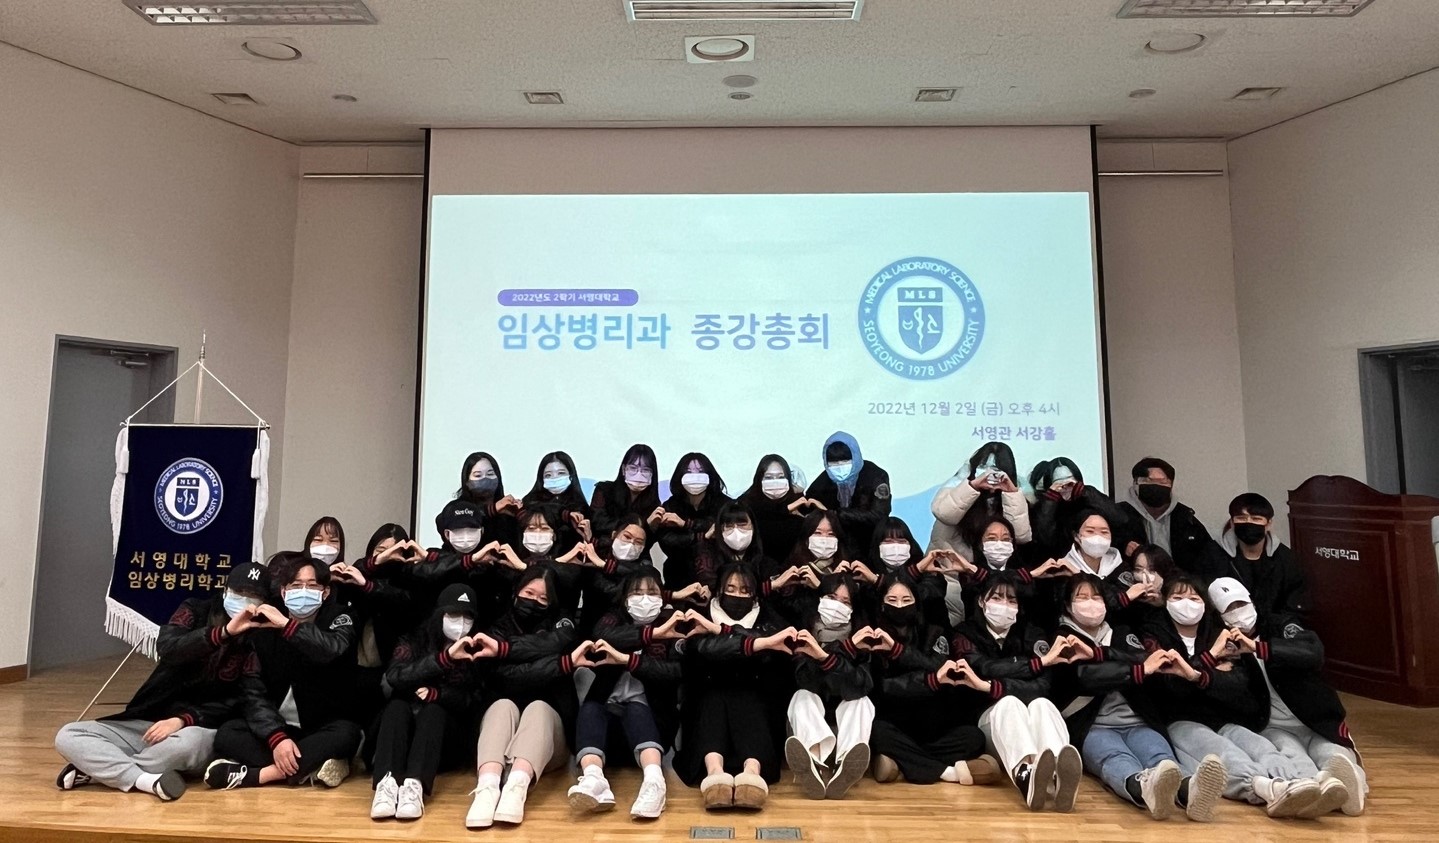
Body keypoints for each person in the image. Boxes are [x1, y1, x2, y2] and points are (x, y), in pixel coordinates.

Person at [54, 561, 270, 801]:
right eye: (239, 592)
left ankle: (99, 768)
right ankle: (145, 780)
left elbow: (242, 700)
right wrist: (223, 633)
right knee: (69, 735)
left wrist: (183, 720)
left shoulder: (261, 636)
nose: (244, 600)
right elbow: (168, 648)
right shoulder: (195, 610)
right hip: (150, 721)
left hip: (200, 728)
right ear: (225, 589)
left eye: (253, 595)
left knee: (185, 746)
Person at [1144, 573, 1336, 819]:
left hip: (1224, 715)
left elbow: (1238, 685)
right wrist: (1211, 661)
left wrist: (1195, 675)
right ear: (1165, 601)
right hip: (1180, 719)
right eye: (1178, 597)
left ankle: (1308, 786)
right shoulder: (1153, 634)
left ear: (1205, 605)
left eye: (1194, 598)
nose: (1187, 604)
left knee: (1262, 746)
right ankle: (1269, 790)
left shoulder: (1220, 634)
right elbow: (1168, 687)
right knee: (1224, 752)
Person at [1051, 574, 1227, 822]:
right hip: (1092, 726)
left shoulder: (1122, 633)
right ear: (1069, 606)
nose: (1091, 603)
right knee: (1115, 758)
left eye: (1097, 597)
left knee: (1162, 759)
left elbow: (1145, 658)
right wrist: (1136, 669)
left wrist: (1102, 656)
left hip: (1137, 720)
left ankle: (1191, 791)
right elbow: (1085, 677)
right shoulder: (1060, 638)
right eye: (1082, 597)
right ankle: (1144, 789)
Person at [1208, 577, 1366, 816]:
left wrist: (1259, 648)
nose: (1238, 612)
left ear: (1252, 602)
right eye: (1229, 609)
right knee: (1293, 756)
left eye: (1241, 604)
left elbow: (1312, 652)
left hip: (1316, 718)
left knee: (1332, 753)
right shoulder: (1224, 645)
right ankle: (1318, 787)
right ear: (1221, 617)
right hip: (1274, 726)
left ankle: (1351, 788)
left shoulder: (1281, 624)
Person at [204, 552, 363, 790]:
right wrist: (276, 738)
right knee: (227, 734)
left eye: (312, 586)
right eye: (296, 586)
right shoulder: (262, 629)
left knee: (347, 735)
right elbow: (253, 693)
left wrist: (287, 625)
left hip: (321, 726)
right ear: (283, 591)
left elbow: (332, 648)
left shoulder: (341, 617)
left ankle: (256, 775)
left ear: (325, 592)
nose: (303, 591)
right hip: (279, 729)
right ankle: (310, 767)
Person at [952, 572, 1083, 812]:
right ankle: (1026, 775)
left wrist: (993, 685)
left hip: (1029, 715)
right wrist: (1035, 665)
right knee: (1009, 703)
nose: (1004, 605)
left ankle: (1059, 774)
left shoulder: (1032, 633)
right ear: (981, 601)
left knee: (1042, 704)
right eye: (997, 598)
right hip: (988, 724)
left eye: (1011, 600)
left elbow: (1042, 685)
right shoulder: (964, 633)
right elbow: (983, 667)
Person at [675, 564, 797, 811]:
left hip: (756, 694)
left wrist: (720, 632)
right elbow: (702, 649)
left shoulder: (770, 618)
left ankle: (752, 773)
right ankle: (714, 773)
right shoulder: (699, 615)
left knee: (749, 699)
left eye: (744, 590)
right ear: (719, 590)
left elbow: (776, 654)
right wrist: (757, 644)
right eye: (730, 589)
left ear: (755, 593)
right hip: (707, 692)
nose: (737, 595)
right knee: (713, 698)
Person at [466, 567, 580, 829]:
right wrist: (553, 663)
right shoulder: (497, 626)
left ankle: (516, 789)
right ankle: (487, 789)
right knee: (501, 706)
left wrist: (504, 651)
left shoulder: (563, 623)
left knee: (538, 708)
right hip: (501, 739)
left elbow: (556, 644)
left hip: (549, 743)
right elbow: (502, 677)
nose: (534, 601)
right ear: (516, 591)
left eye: (543, 598)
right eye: (529, 593)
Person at [570, 568, 687, 819]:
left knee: (635, 709)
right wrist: (651, 634)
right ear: (625, 598)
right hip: (607, 732)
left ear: (662, 596)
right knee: (590, 709)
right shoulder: (614, 618)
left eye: (652, 592)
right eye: (637, 592)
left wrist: (629, 661)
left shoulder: (673, 623)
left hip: (653, 722)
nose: (644, 599)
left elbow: (676, 671)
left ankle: (655, 782)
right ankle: (594, 779)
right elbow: (602, 636)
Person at [868, 573, 999, 787]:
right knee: (876, 732)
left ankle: (902, 765)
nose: (899, 606)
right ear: (882, 604)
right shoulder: (873, 637)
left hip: (933, 724)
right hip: (895, 721)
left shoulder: (935, 632)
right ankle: (948, 772)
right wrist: (930, 679)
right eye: (892, 600)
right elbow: (883, 687)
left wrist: (898, 651)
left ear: (917, 603)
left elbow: (939, 668)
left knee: (974, 737)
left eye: (906, 599)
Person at [369, 583, 483, 821]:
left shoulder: (478, 648)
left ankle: (415, 786)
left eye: (467, 617)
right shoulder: (414, 640)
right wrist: (443, 659)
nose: (461, 622)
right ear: (440, 613)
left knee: (434, 711)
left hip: (444, 741)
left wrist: (439, 695)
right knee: (396, 707)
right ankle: (386, 785)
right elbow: (395, 677)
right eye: (453, 614)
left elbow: (474, 699)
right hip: (403, 734)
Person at [784, 575, 875, 800]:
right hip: (811, 712)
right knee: (802, 696)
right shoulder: (802, 633)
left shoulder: (863, 638)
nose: (837, 606)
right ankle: (814, 765)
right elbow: (803, 679)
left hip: (843, 711)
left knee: (862, 701)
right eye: (832, 598)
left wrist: (829, 655)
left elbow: (861, 684)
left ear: (853, 609)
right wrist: (832, 653)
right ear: (820, 599)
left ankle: (846, 766)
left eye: (845, 602)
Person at [1200, 494, 1306, 628]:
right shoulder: (1211, 555)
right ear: (1232, 523)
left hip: (1274, 630)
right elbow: (1206, 599)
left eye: (1256, 519)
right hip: (1227, 630)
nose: (1248, 523)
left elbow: (1295, 603)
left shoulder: (1286, 558)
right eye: (1241, 518)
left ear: (1269, 524)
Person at [929, 441, 1032, 559]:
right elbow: (945, 514)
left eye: (995, 468)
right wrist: (972, 487)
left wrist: (1011, 494)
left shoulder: (1015, 496)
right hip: (949, 565)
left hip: (991, 566)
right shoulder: (956, 486)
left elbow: (1020, 536)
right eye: (982, 466)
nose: (988, 472)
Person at [1116, 457, 1212, 574]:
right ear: (1136, 483)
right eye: (1149, 481)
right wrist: (1123, 546)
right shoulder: (1118, 515)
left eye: (1163, 482)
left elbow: (1209, 557)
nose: (1156, 486)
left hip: (1178, 582)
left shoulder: (1185, 517)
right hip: (1133, 581)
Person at [803, 431, 892, 555]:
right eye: (833, 463)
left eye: (845, 461)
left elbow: (879, 515)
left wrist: (836, 514)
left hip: (870, 542)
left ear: (855, 456)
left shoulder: (876, 476)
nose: (839, 466)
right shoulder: (825, 479)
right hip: (836, 546)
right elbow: (807, 506)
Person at [1028, 457, 1130, 562]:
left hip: (1098, 559)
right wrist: (1050, 501)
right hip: (1062, 562)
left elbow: (1121, 519)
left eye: (1069, 481)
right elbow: (1045, 539)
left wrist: (1085, 493)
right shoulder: (1046, 506)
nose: (1065, 487)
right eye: (1059, 483)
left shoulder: (1090, 497)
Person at [656, 452, 731, 592]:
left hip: (720, 577)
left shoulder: (725, 504)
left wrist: (686, 524)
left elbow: (723, 529)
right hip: (678, 576)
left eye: (700, 472)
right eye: (688, 472)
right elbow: (668, 542)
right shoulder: (670, 506)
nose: (694, 477)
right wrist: (703, 537)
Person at [589, 444, 663, 554]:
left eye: (645, 470)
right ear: (624, 469)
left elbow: (646, 545)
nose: (639, 475)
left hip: (635, 557)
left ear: (652, 474)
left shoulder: (654, 505)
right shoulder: (604, 490)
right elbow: (598, 523)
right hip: (601, 551)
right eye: (633, 468)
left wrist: (649, 526)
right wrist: (641, 525)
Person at [440, 451, 521, 549]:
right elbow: (443, 523)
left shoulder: (507, 510)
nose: (485, 479)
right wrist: (492, 509)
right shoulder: (455, 507)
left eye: (490, 474)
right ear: (467, 481)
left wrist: (521, 514)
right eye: (478, 475)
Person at [737, 454, 807, 564]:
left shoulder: (799, 503)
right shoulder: (745, 505)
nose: (775, 482)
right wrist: (786, 509)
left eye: (781, 477)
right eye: (768, 478)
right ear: (759, 479)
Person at [693, 500, 770, 592]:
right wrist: (705, 540)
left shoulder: (764, 563)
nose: (736, 531)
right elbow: (711, 587)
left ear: (753, 526)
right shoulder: (710, 559)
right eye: (729, 526)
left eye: (742, 525)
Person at [521, 451, 593, 547]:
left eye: (561, 473)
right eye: (548, 475)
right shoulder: (530, 502)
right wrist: (565, 514)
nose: (555, 478)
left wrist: (588, 538)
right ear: (541, 478)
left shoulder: (581, 506)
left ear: (571, 476)